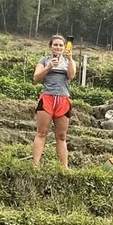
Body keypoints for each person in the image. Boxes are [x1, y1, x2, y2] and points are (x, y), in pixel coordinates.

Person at [32, 34, 77, 168]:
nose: (58, 47)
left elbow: (71, 75)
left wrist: (70, 59)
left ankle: (64, 167)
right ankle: (35, 165)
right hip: (47, 98)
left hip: (63, 99)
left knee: (61, 136)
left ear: (64, 47)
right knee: (42, 133)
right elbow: (36, 78)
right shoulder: (44, 60)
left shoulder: (69, 61)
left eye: (60, 45)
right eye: (55, 45)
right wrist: (48, 67)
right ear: (50, 47)